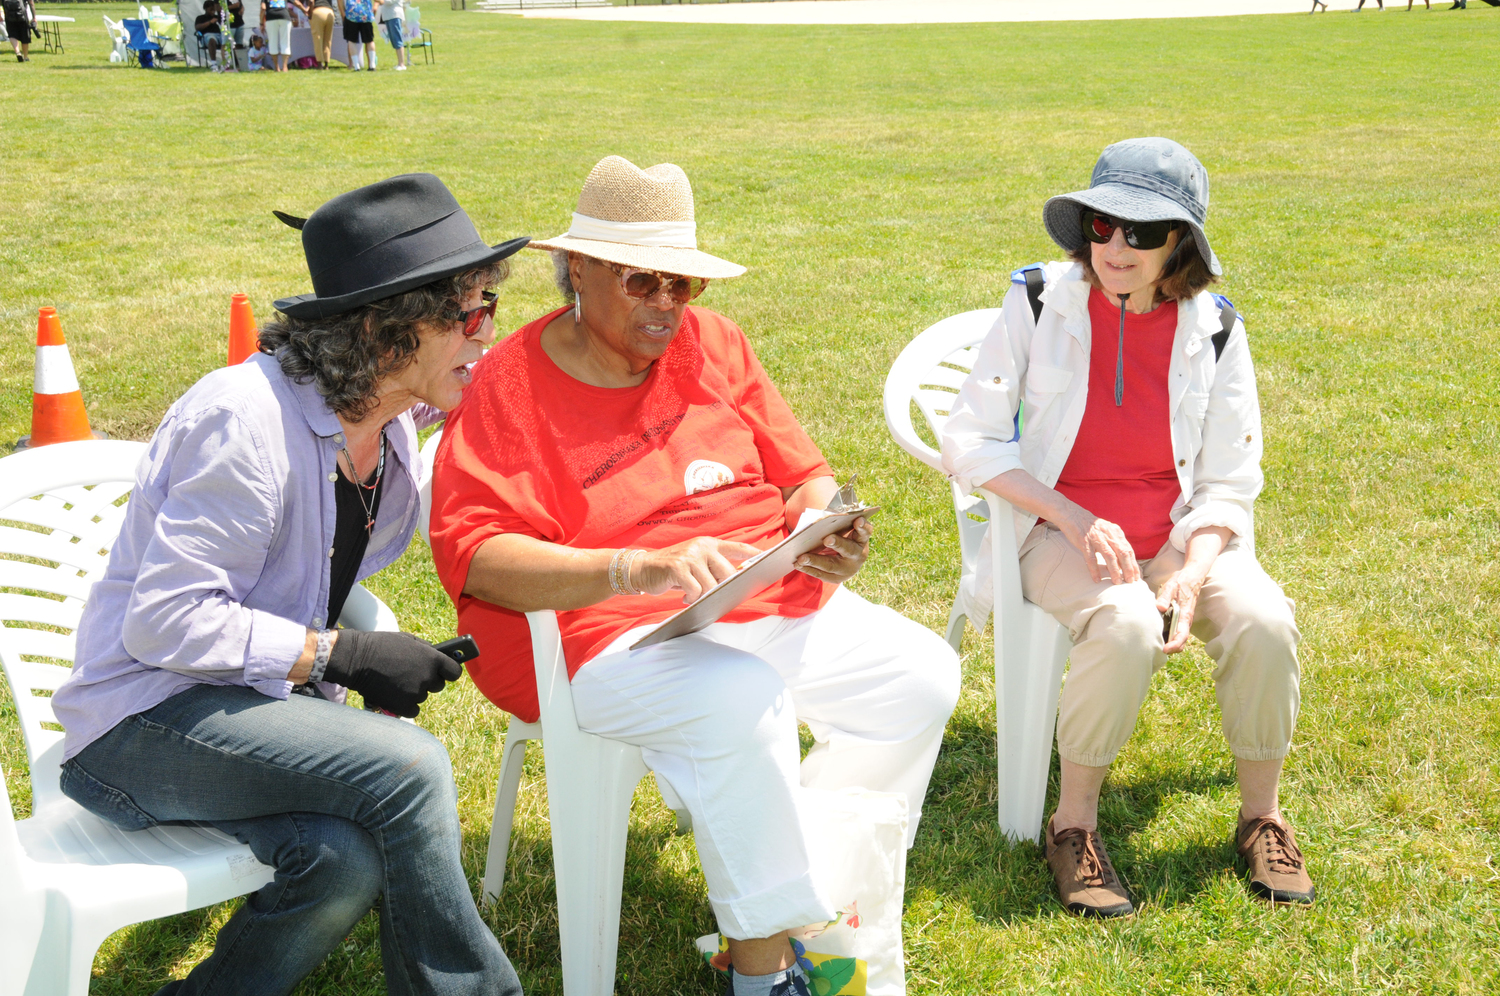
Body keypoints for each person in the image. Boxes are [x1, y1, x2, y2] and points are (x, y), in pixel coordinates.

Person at [430, 155, 960, 995]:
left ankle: (800, 908)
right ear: (579, 273)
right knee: (742, 698)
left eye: (684, 284)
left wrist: (826, 530)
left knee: (921, 678)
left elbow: (804, 476)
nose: (669, 305)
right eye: (645, 281)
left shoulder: (713, 345)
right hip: (608, 638)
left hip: (757, 593)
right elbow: (480, 559)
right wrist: (636, 566)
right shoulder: (510, 386)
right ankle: (768, 965)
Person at [51, 173, 531, 996]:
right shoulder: (246, 423)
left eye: (491, 305)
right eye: (472, 312)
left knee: (340, 863)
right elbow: (163, 625)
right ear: (387, 327)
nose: (489, 334)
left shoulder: (388, 409)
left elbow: (506, 389)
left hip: (226, 704)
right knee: (410, 768)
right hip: (134, 727)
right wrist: (339, 654)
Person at [941, 137, 1314, 917]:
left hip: (1181, 534)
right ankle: (1072, 825)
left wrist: (1192, 566)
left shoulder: (1215, 326)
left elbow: (1230, 479)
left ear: (1181, 242)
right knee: (1124, 623)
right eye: (1102, 224)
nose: (1114, 247)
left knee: (1266, 620)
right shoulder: (1039, 298)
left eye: (1142, 233)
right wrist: (1074, 519)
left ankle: (1262, 818)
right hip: (1058, 534)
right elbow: (970, 439)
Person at [340, 0, 376, 70]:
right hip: (366, 14)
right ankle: (372, 65)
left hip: (351, 14)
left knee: (352, 41)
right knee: (369, 40)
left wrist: (343, 13)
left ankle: (356, 66)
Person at [193, 0, 228, 69]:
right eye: (211, 10)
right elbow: (198, 27)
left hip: (219, 35)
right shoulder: (200, 18)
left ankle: (228, 62)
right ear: (205, 8)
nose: (213, 11)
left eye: (214, 10)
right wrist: (210, 22)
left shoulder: (218, 17)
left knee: (229, 39)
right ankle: (213, 63)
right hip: (206, 36)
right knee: (211, 39)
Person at [261, 0, 291, 70]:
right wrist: (304, 10)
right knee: (285, 42)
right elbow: (296, 2)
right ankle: (284, 67)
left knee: (272, 42)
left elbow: (263, 8)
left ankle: (276, 67)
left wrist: (261, 23)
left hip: (271, 17)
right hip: (284, 16)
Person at [377, 0, 405, 71]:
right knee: (394, 40)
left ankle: (402, 64)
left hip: (395, 15)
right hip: (388, 16)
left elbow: (388, 1)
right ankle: (399, 63)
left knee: (397, 39)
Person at [307, 0, 335, 67]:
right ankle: (326, 64)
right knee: (328, 39)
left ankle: (319, 63)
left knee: (318, 38)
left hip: (318, 11)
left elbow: (311, 1)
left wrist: (310, 13)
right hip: (329, 12)